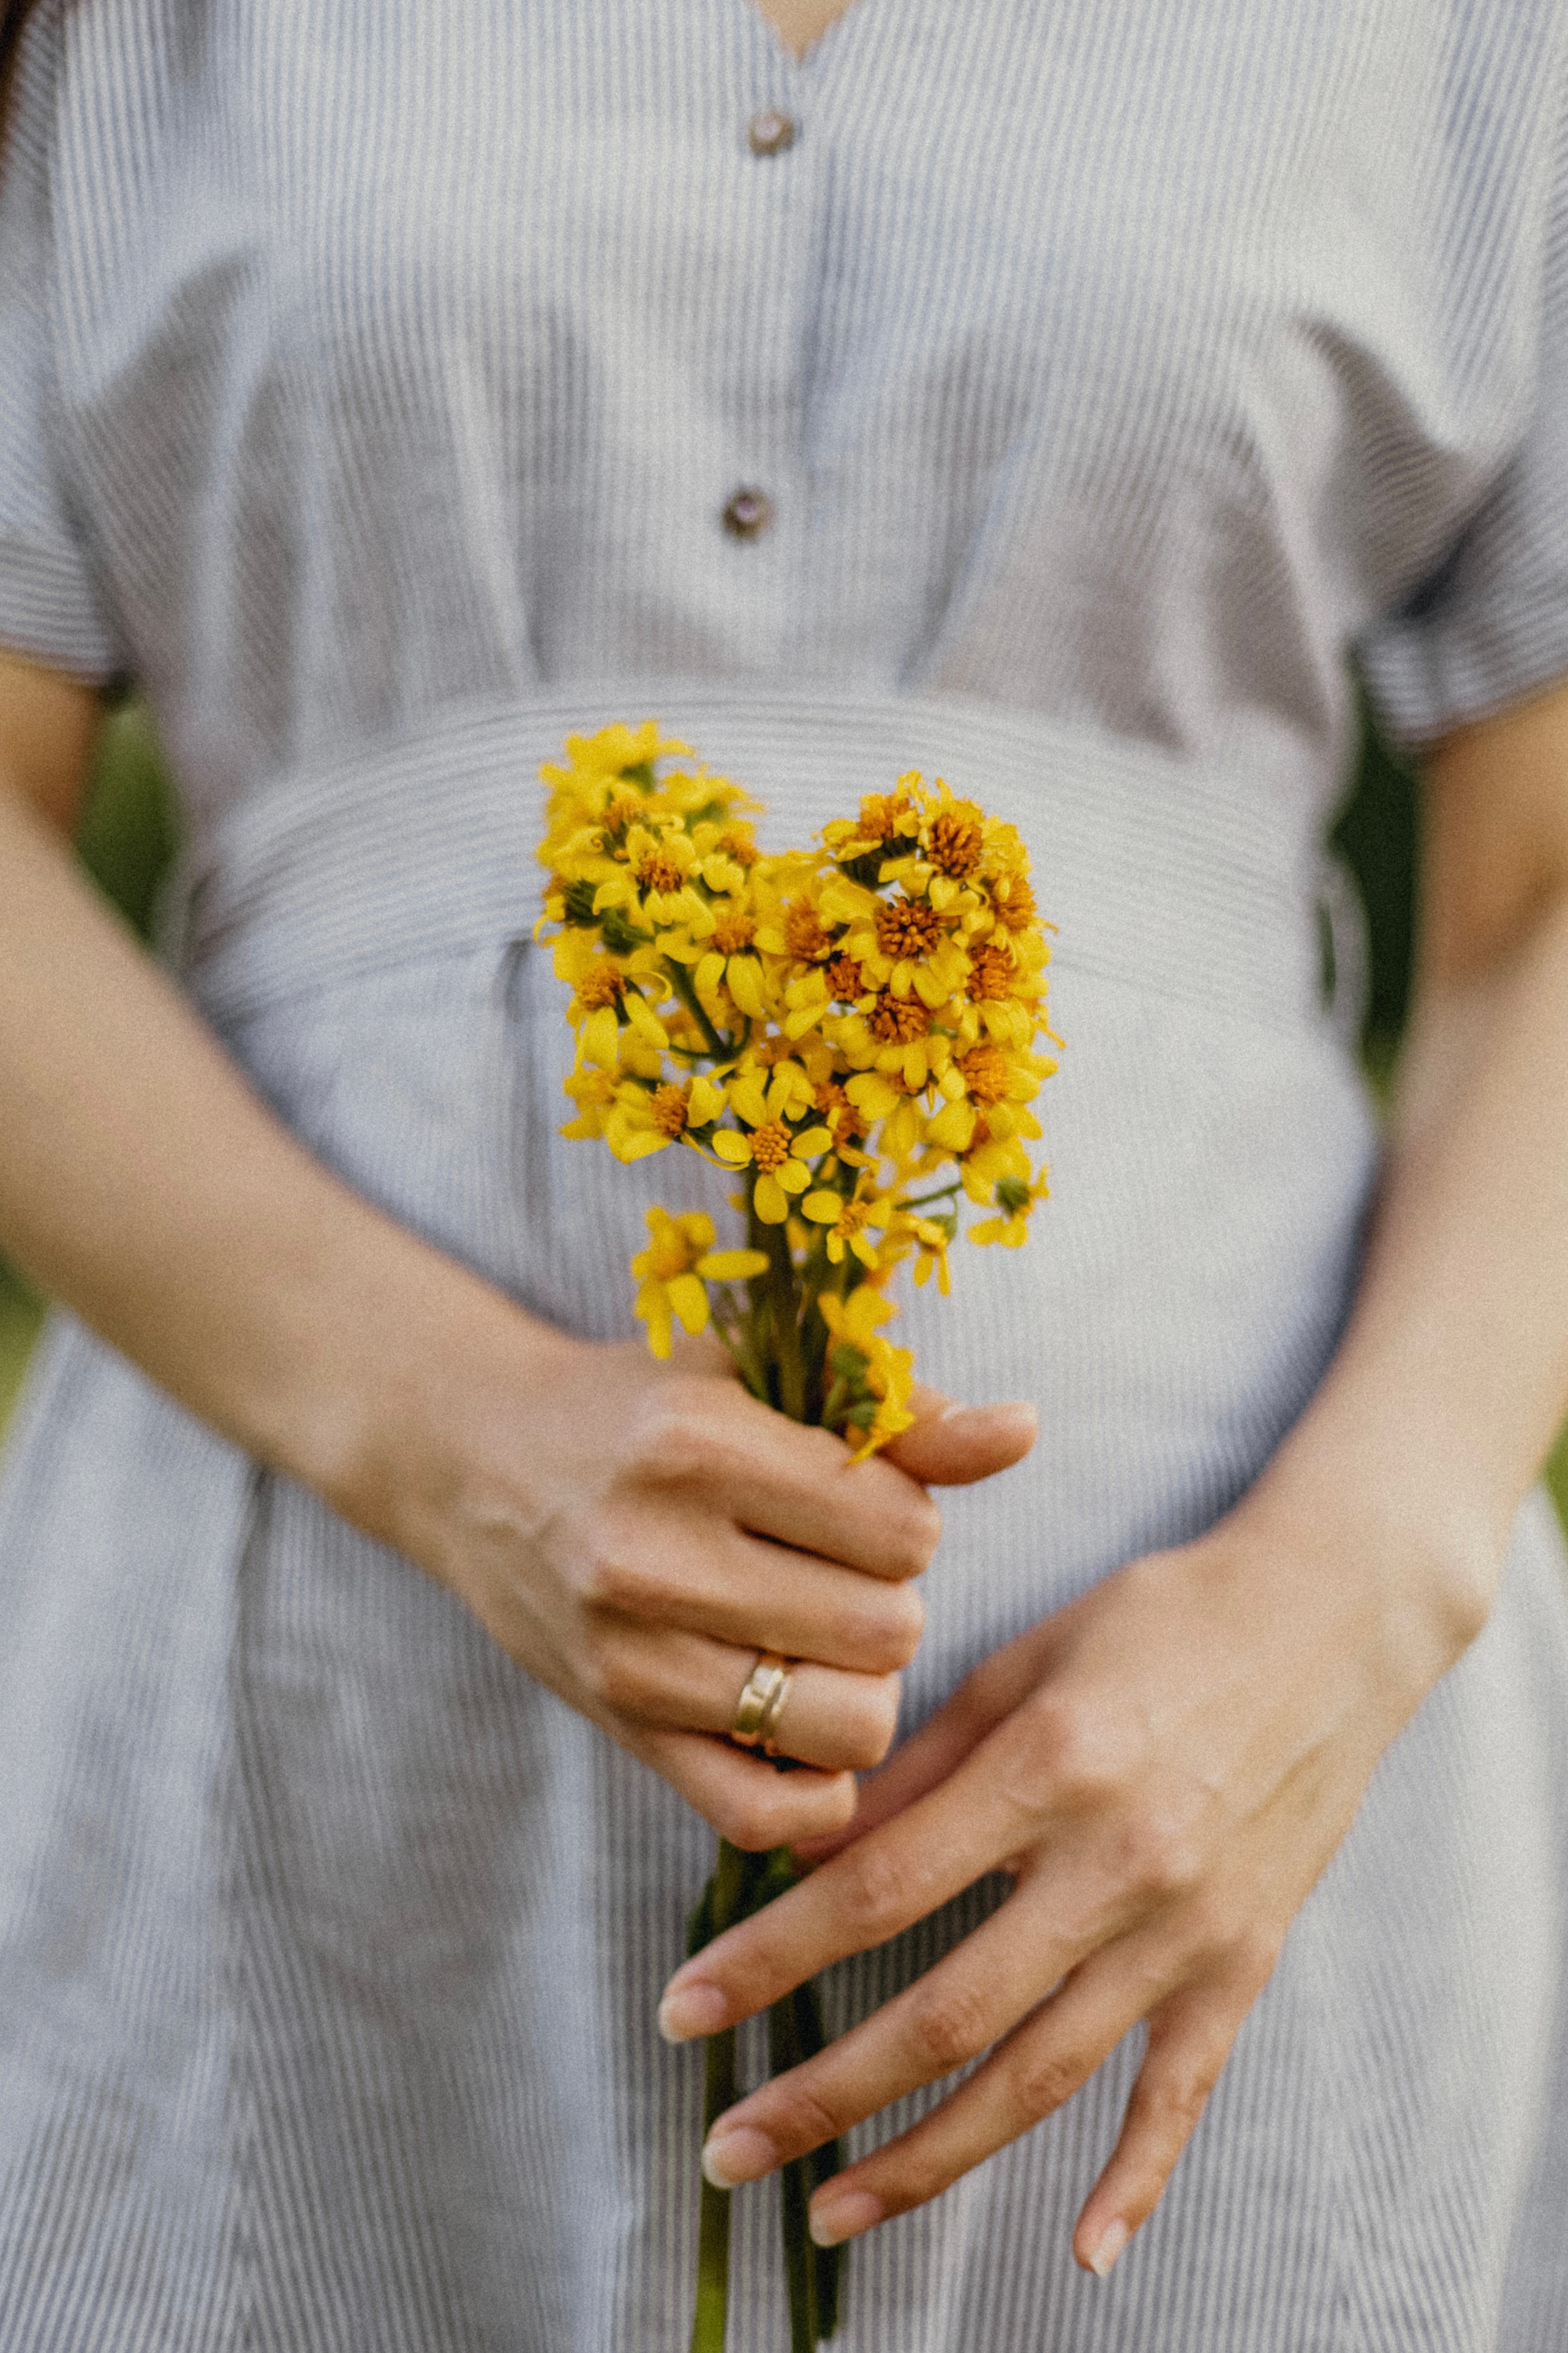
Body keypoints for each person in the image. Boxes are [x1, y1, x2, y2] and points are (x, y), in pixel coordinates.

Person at [2, 1, 1567, 2346]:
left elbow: (1541, 901)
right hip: (293, 1720)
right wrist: (452, 1438)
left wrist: (1342, 1609)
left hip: (1253, 1781)